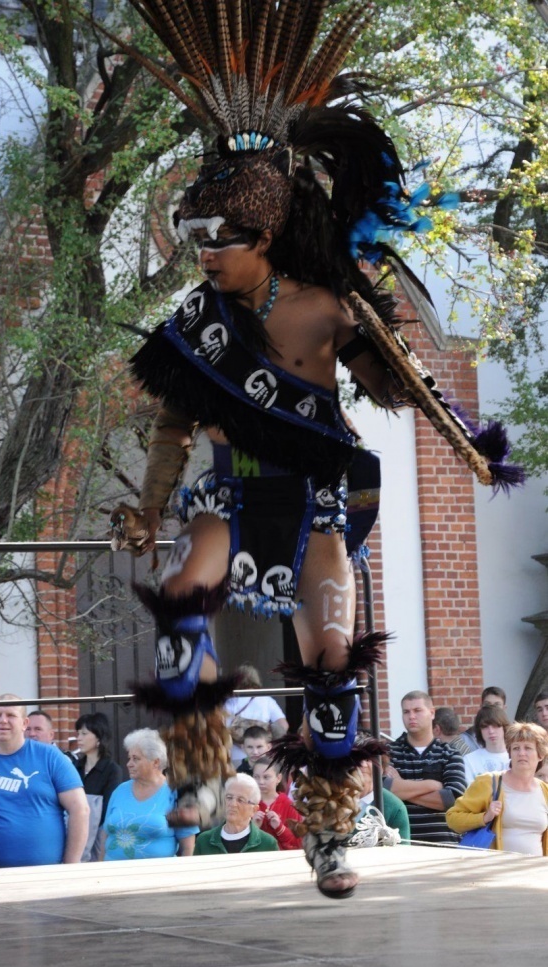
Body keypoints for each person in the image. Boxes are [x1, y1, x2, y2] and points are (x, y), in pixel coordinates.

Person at [108, 0, 521, 898]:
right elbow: (174, 425)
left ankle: (331, 831)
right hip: (226, 490)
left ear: (263, 237)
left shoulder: (328, 306)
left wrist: (395, 366)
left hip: (314, 495)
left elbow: (395, 388)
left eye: (217, 240)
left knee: (330, 651)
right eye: (193, 239)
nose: (203, 254)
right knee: (182, 598)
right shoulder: (194, 320)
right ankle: (200, 768)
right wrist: (148, 505)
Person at [0, 694, 89, 868]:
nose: (3, 720)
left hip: (47, 878)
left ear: (24, 723)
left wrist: (71, 867)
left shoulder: (50, 758)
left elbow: (80, 810)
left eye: (11, 715)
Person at [447, 722, 548, 855]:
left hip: (534, 872)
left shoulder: (544, 791)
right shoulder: (489, 782)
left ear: (540, 755)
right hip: (495, 871)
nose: (521, 753)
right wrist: (484, 817)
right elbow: (453, 818)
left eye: (528, 748)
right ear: (510, 753)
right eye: (516, 748)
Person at [100, 729, 197, 861]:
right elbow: (105, 835)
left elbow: (188, 847)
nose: (129, 764)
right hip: (113, 874)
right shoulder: (119, 791)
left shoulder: (177, 793)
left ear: (155, 762)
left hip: (156, 876)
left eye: (136, 759)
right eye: (129, 758)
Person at [385, 691, 466, 845]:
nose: (411, 716)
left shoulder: (450, 754)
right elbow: (386, 791)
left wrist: (401, 786)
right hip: (401, 844)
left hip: (444, 845)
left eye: (417, 710)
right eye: (406, 712)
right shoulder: (388, 753)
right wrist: (431, 785)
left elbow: (452, 800)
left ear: (432, 713)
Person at [72, 712, 123, 860]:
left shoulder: (112, 770)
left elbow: (108, 810)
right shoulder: (75, 767)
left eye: (84, 733)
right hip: (75, 831)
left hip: (98, 839)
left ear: (99, 737)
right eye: (78, 733)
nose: (79, 738)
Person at [194, 774, 279, 855]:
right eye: (229, 797)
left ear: (254, 810)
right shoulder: (204, 841)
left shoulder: (267, 844)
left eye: (240, 800)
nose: (233, 804)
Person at [223, 664, 288, 767]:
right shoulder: (267, 700)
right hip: (262, 756)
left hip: (237, 757)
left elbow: (223, 728)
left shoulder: (231, 702)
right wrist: (268, 742)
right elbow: (283, 725)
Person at [352, 756, 410, 846]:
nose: (363, 764)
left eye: (368, 759)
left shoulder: (394, 807)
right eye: (356, 759)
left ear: (381, 768)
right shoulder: (330, 799)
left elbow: (402, 854)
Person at [252, 758, 302, 850]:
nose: (261, 782)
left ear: (278, 778)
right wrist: (253, 828)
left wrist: (280, 828)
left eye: (266, 777)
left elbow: (298, 844)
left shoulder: (290, 806)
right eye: (256, 777)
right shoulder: (248, 804)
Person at [463, 705, 510, 786]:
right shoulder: (469, 760)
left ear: (504, 727)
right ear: (479, 730)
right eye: (485, 727)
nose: (491, 731)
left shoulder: (517, 756)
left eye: (495, 725)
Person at [459, 687, 507, 753]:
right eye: (487, 704)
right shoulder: (466, 739)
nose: (492, 709)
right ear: (481, 707)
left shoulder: (513, 736)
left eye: (497, 705)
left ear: (504, 708)